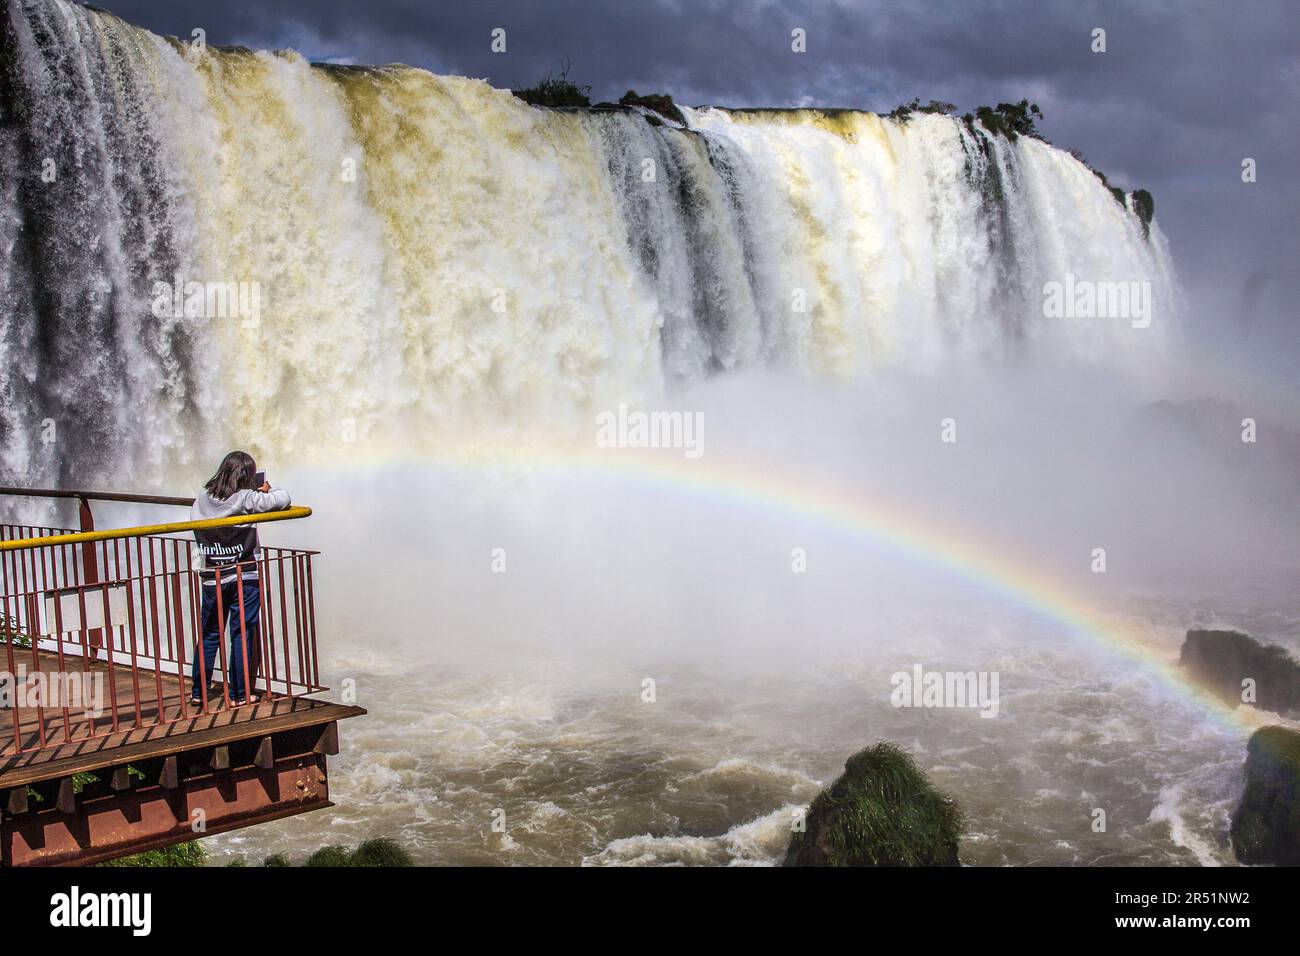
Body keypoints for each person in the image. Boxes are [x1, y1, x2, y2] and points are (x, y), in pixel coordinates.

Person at [190, 451, 290, 707]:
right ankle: (239, 694)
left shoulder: (203, 496)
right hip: (243, 574)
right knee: (241, 634)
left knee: (210, 632)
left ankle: (198, 692)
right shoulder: (248, 497)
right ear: (247, 477)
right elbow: (284, 498)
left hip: (212, 574)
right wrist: (265, 489)